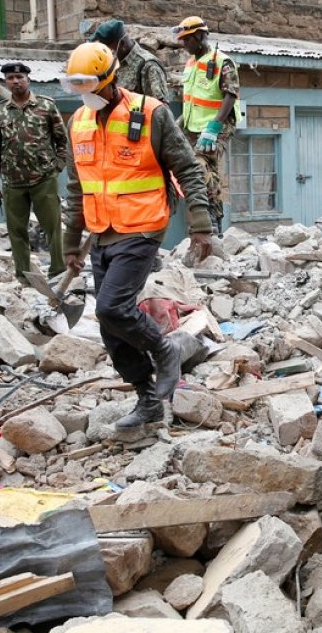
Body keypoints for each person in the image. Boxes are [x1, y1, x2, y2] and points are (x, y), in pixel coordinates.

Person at [60, 42, 214, 428]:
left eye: (90, 86)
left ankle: (165, 350)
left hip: (143, 225)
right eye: (78, 87)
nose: (85, 95)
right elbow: (78, 187)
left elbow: (188, 168)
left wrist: (199, 223)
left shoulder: (150, 113)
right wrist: (71, 243)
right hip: (101, 231)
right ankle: (148, 402)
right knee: (111, 328)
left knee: (112, 308)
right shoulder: (78, 121)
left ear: (110, 79)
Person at [0, 62, 68, 281]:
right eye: (11, 77)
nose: (16, 81)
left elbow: (62, 140)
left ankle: (58, 272)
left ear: (28, 79)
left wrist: (57, 166)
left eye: (19, 77)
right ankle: (24, 276)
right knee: (17, 232)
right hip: (13, 182)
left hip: (43, 179)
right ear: (6, 81)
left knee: (53, 228)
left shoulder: (46, 106)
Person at [173, 15, 242, 235]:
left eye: (188, 39)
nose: (184, 45)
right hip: (193, 127)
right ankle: (215, 222)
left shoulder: (223, 62)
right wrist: (179, 124)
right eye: (183, 40)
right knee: (205, 172)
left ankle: (210, 216)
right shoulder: (191, 64)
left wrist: (214, 128)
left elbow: (230, 95)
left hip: (218, 125)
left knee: (199, 165)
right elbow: (191, 99)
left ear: (201, 36)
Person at [89, 19, 172, 103]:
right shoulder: (112, 64)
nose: (106, 54)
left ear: (122, 44)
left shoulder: (148, 66)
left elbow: (161, 109)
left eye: (108, 49)